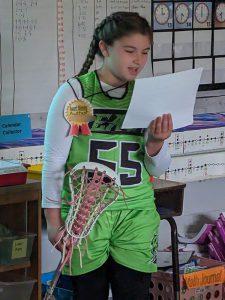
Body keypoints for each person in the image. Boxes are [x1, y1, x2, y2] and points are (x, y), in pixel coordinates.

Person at [42, 11, 173, 300]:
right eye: (129, 51)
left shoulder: (148, 94)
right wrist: (53, 222)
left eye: (144, 52)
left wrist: (156, 143)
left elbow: (160, 168)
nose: (138, 60)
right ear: (105, 48)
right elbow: (53, 163)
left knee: (134, 293)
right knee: (89, 293)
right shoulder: (75, 92)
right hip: (84, 213)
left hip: (135, 212)